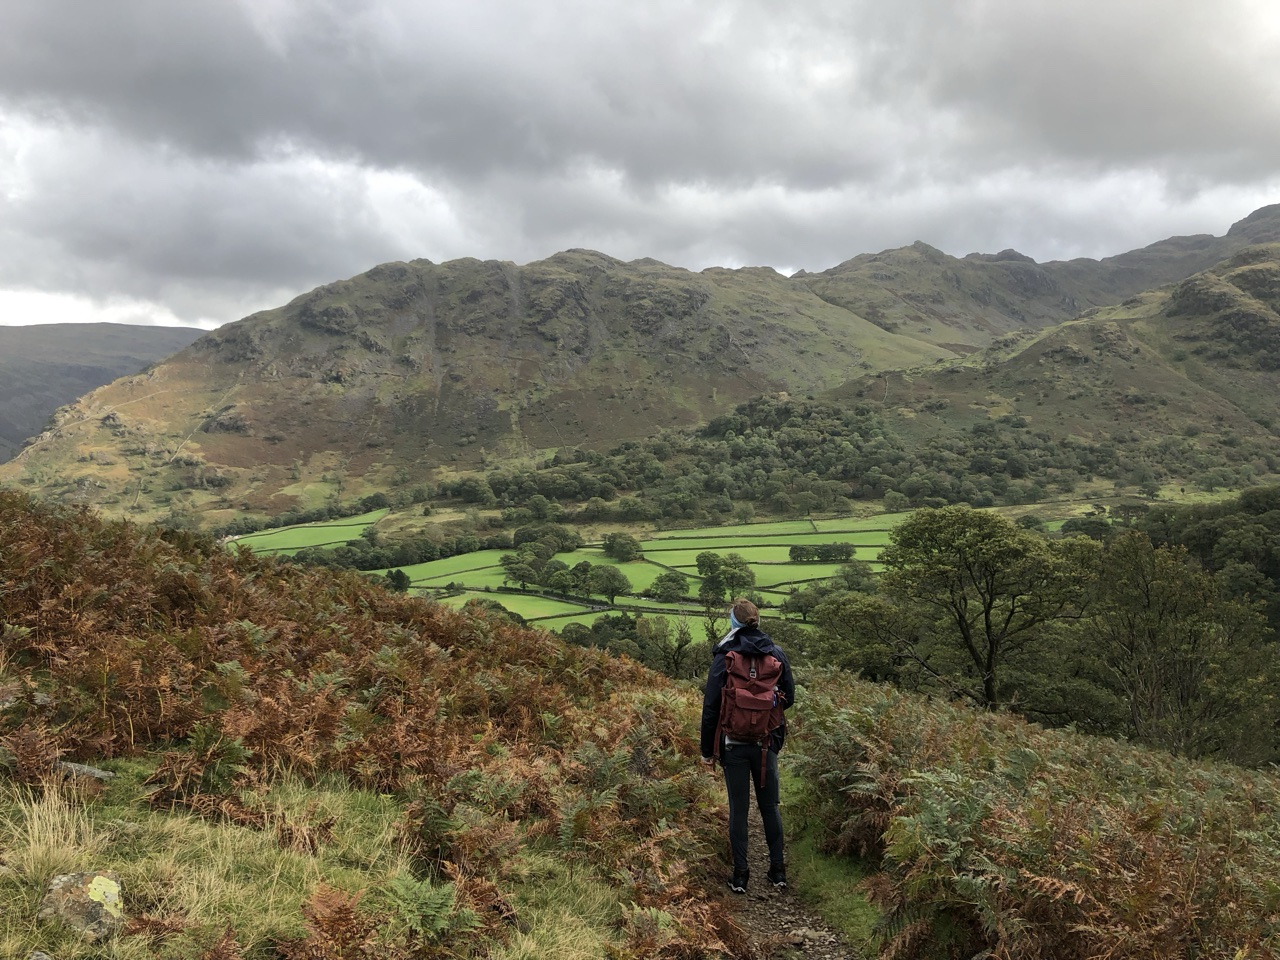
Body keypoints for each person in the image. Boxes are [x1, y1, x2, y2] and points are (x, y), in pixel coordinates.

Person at [700, 598, 795, 894]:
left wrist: (707, 751)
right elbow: (789, 697)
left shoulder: (724, 655)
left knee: (739, 810)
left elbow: (711, 707)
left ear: (734, 621)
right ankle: (777, 871)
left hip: (733, 745)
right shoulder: (776, 653)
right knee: (770, 807)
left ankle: (740, 875)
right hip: (766, 745)